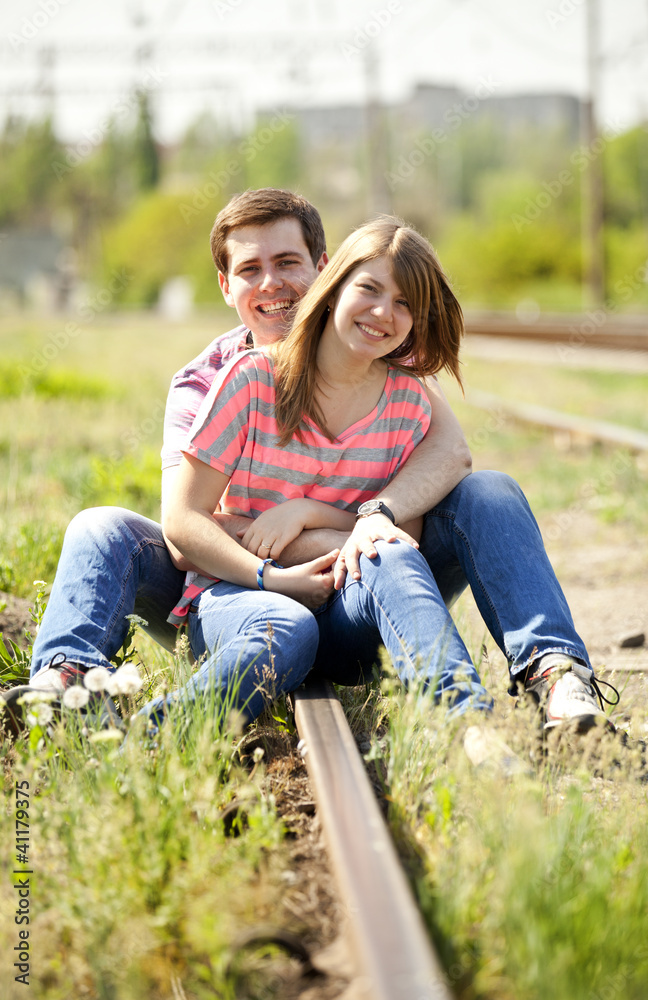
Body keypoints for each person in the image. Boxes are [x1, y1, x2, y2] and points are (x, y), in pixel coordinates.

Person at [0, 190, 472, 735]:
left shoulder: (381, 358)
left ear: (325, 269)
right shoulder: (210, 381)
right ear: (227, 286)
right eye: (250, 269)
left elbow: (442, 464)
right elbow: (187, 531)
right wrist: (283, 565)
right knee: (101, 527)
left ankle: (528, 680)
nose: (271, 283)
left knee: (476, 499)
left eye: (288, 262)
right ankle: (65, 684)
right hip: (228, 579)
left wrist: (306, 512)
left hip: (349, 586)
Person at [145, 215, 494, 729]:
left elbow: (406, 532)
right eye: (370, 290)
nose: (383, 313)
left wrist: (307, 515)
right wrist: (274, 576)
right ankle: (155, 732)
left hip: (344, 608)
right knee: (286, 623)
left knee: (389, 552)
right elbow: (184, 523)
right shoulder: (249, 379)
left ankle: (469, 726)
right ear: (332, 287)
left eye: (405, 304)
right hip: (241, 596)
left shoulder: (407, 400)